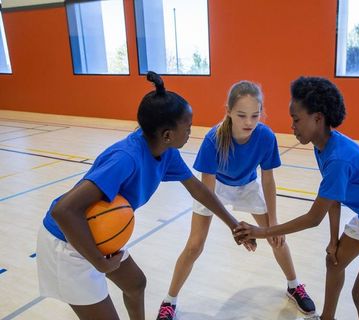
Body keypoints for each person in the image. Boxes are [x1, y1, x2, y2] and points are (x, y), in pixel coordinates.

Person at [36, 71, 253, 320]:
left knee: (135, 284)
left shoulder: (166, 151)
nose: (190, 132)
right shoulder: (125, 159)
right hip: (66, 242)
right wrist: (99, 262)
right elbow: (62, 211)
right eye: (188, 127)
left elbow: (198, 189)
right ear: (167, 134)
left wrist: (233, 224)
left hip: (97, 236)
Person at [234, 76, 359, 320]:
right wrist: (333, 240)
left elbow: (313, 218)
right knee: (334, 261)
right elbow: (334, 198)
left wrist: (261, 231)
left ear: (317, 118)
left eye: (296, 119)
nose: (292, 126)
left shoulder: (338, 158)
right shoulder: (321, 145)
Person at [157, 80, 316, 320]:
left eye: (255, 115)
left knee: (277, 237)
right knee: (194, 245)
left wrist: (272, 222)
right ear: (228, 111)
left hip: (248, 186)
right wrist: (235, 227)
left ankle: (294, 285)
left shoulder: (265, 136)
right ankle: (169, 301)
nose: (249, 122)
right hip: (215, 189)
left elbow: (268, 180)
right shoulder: (213, 139)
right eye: (242, 115)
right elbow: (206, 192)